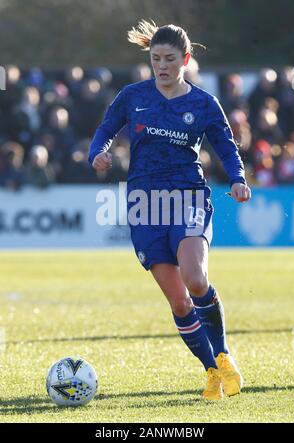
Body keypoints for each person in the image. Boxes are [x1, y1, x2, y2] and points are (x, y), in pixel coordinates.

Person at [89, 20, 251, 401]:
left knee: (196, 279)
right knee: (179, 301)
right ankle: (211, 370)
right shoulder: (133, 95)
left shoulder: (203, 103)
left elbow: (226, 145)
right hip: (144, 205)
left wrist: (238, 177)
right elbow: (106, 129)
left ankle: (224, 353)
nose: (161, 66)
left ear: (186, 60)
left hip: (188, 196)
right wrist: (98, 153)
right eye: (155, 59)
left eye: (169, 59)